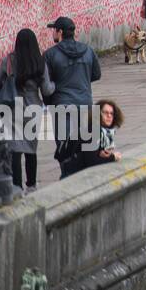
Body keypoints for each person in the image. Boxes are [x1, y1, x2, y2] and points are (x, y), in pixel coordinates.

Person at [43, 16, 101, 178]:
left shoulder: (50, 55)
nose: (53, 33)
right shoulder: (88, 50)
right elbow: (96, 74)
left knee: (65, 148)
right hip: (86, 104)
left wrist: (50, 103)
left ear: (60, 32)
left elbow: (45, 85)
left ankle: (68, 178)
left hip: (62, 106)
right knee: (87, 146)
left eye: (54, 30)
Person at [0, 28, 54, 192]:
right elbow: (47, 89)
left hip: (13, 108)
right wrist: (55, 85)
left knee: (14, 147)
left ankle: (16, 186)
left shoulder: (9, 60)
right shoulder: (39, 62)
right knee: (30, 147)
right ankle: (31, 185)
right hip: (33, 109)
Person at [60, 99, 123, 177]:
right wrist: (113, 157)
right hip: (74, 175)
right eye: (105, 113)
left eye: (111, 113)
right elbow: (92, 161)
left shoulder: (102, 132)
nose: (109, 116)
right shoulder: (92, 131)